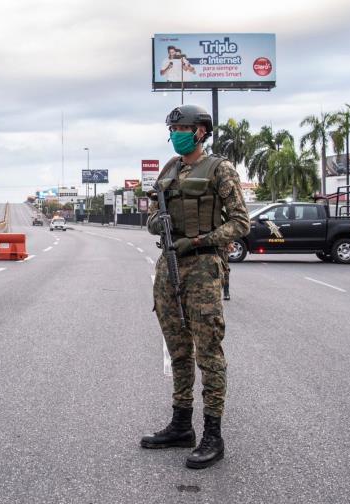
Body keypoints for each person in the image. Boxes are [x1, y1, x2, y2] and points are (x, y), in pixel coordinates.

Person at [141, 104, 249, 469]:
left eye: (182, 127)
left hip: (202, 267)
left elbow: (240, 224)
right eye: (172, 128)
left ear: (201, 131)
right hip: (169, 264)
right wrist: (159, 222)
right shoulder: (170, 170)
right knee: (178, 351)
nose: (176, 133)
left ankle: (213, 434)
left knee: (208, 352)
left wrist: (201, 242)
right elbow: (151, 216)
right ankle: (181, 425)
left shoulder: (221, 169)